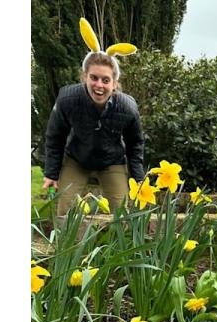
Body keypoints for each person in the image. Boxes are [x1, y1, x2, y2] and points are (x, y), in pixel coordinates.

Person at [41, 18, 144, 214]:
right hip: (77, 159)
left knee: (123, 212)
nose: (99, 85)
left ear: (114, 84)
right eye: (94, 78)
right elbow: (55, 137)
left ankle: (120, 245)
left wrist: (138, 177)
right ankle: (70, 244)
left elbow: (135, 143)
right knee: (65, 208)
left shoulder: (128, 107)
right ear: (85, 77)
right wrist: (51, 173)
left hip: (112, 160)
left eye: (106, 80)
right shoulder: (67, 99)